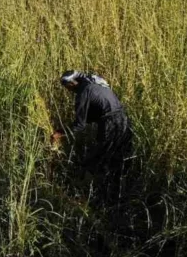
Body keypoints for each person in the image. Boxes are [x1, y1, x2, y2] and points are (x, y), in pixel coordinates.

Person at [54, 70, 133, 200]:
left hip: (110, 124)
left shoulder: (83, 92)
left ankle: (85, 195)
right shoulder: (96, 84)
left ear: (72, 83)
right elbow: (99, 112)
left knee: (97, 159)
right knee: (119, 158)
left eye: (66, 87)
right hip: (124, 120)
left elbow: (80, 125)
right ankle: (118, 193)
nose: (67, 90)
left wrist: (60, 133)